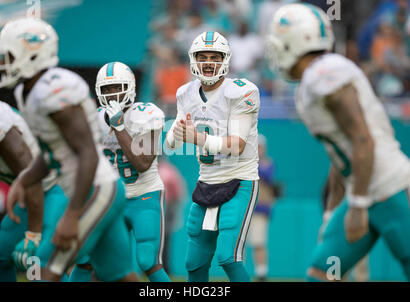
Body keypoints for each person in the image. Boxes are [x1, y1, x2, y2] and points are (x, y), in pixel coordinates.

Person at [267, 3, 410, 281]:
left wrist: (356, 205)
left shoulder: (324, 74)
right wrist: (332, 212)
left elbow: (362, 139)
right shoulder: (312, 81)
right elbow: (340, 156)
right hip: (365, 189)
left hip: (389, 190)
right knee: (323, 272)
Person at [0, 17, 136, 282]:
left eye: (8, 55)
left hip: (96, 190)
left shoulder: (54, 90)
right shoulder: (28, 91)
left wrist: (72, 213)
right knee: (121, 276)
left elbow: (88, 153)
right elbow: (52, 151)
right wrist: (26, 179)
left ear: (31, 55)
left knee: (44, 268)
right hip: (96, 188)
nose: (2, 64)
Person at [166, 31, 260, 282]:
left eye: (215, 57)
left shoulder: (241, 91)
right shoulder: (185, 93)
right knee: (193, 263)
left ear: (225, 60)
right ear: (193, 60)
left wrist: (195, 137)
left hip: (239, 179)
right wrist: (174, 134)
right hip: (206, 181)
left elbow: (237, 145)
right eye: (203, 56)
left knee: (228, 257)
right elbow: (172, 140)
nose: (209, 62)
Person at [0, 66, 68, 282]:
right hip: (34, 194)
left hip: (61, 185)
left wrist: (33, 234)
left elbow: (32, 174)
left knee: (38, 261)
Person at [95, 61, 170, 282]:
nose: (112, 95)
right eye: (107, 89)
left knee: (148, 261)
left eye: (117, 87)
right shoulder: (95, 118)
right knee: (91, 262)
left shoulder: (147, 114)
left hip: (143, 195)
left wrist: (119, 127)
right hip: (112, 199)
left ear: (130, 87)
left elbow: (142, 163)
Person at [247, 135, 276, 282]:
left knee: (259, 242)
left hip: (260, 209)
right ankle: (241, 273)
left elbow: (266, 175)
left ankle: (261, 273)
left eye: (260, 146)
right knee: (240, 244)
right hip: (246, 208)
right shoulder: (247, 162)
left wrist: (251, 162)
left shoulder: (268, 163)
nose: (258, 149)